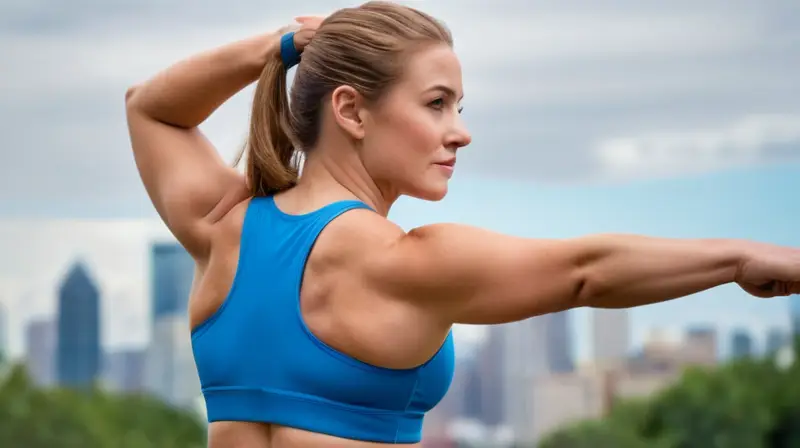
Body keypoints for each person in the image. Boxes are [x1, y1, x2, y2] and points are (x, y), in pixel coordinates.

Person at [125, 1, 800, 447]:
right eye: (438, 104)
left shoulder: (222, 230)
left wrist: (279, 47)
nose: (460, 133)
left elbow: (149, 108)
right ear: (352, 112)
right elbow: (585, 271)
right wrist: (739, 257)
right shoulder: (400, 262)